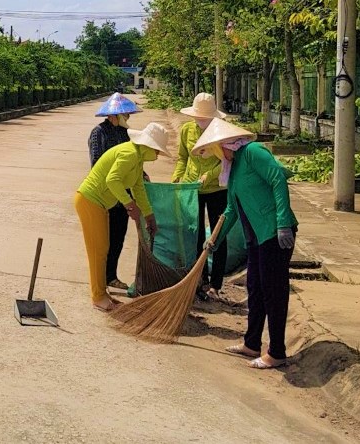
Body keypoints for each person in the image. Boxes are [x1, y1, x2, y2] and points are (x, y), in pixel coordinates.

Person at [192, 118, 299, 370]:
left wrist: (283, 222)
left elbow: (277, 180)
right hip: (256, 237)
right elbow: (230, 209)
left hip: (274, 233)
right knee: (255, 288)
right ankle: (251, 343)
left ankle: (277, 352)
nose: (217, 155)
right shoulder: (234, 168)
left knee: (273, 290)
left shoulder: (252, 152)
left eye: (217, 150)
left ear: (226, 144)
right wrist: (215, 240)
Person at [75, 122, 170, 312]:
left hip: (100, 204)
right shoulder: (129, 154)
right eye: (157, 151)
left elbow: (138, 188)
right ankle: (98, 296)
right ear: (149, 146)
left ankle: (102, 292)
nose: (158, 156)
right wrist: (129, 205)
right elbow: (112, 180)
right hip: (89, 200)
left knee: (103, 248)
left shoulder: (137, 158)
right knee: (98, 251)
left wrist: (149, 215)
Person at [170, 92, 228, 301]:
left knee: (218, 235)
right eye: (198, 118)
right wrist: (177, 176)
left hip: (217, 190)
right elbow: (183, 158)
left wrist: (210, 175)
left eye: (206, 119)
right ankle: (200, 278)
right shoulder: (187, 131)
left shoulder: (222, 133)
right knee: (196, 235)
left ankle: (215, 283)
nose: (201, 122)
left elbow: (227, 161)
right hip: (192, 188)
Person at [88, 92, 143, 291]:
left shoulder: (126, 134)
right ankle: (100, 279)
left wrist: (141, 174)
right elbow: (97, 163)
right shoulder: (98, 133)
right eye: (124, 115)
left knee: (118, 237)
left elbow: (133, 159)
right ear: (113, 115)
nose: (127, 118)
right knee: (104, 240)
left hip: (124, 194)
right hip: (105, 194)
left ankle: (111, 276)